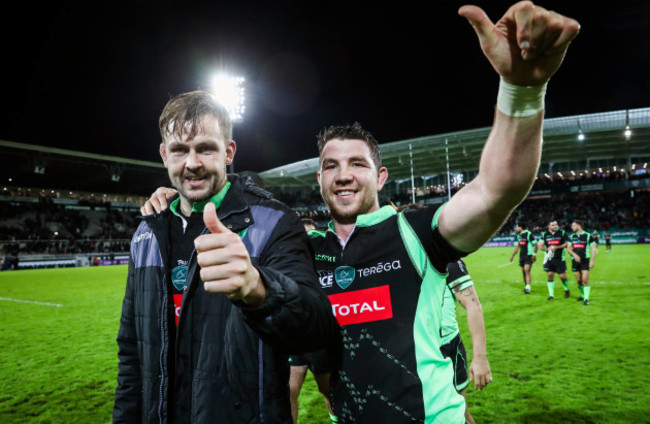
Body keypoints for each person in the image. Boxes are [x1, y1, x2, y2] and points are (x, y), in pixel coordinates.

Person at [141, 2, 580, 422]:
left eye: (357, 164)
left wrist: (522, 92)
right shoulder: (304, 247)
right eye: (330, 165)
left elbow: (497, 189)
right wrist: (182, 200)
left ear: (381, 176)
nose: (343, 175)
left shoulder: (417, 231)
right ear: (319, 179)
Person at [113, 90, 339, 423]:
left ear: (228, 151)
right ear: (164, 154)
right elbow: (132, 352)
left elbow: (316, 328)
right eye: (179, 150)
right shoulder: (147, 233)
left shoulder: (273, 221)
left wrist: (259, 289)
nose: (192, 163)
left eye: (205, 148)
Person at [287, 216, 335, 424]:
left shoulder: (328, 263)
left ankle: (336, 419)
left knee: (328, 391)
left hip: (320, 338)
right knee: (287, 391)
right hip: (293, 336)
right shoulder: (287, 264)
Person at [442, 259, 492, 424]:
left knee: (459, 413)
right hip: (411, 350)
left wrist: (480, 358)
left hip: (447, 350)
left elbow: (473, 306)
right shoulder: (394, 258)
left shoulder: (447, 259)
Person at [537, 219, 571, 300]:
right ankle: (551, 295)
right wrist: (547, 249)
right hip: (549, 258)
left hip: (560, 259)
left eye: (556, 224)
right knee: (550, 275)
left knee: (562, 276)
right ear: (548, 226)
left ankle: (566, 289)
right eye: (553, 225)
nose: (555, 226)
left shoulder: (562, 233)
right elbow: (540, 246)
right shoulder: (545, 234)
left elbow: (567, 244)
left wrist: (557, 247)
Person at [567, 219, 598, 305]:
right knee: (579, 281)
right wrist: (574, 254)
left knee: (585, 280)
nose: (571, 227)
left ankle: (586, 299)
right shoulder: (572, 236)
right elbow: (568, 248)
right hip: (575, 261)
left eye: (573, 225)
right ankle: (583, 295)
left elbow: (594, 249)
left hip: (585, 260)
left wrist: (592, 261)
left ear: (579, 226)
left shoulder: (588, 236)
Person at [509, 221, 537, 294]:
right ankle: (526, 287)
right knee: (523, 272)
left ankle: (528, 288)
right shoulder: (519, 235)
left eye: (517, 226)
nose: (516, 228)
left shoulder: (529, 234)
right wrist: (512, 256)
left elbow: (536, 244)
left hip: (529, 255)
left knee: (527, 270)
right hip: (522, 255)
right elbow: (518, 246)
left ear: (520, 227)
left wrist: (534, 254)